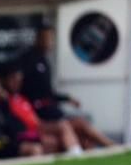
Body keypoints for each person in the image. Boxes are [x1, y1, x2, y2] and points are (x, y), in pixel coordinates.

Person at [17, 21, 115, 150]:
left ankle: (112, 148)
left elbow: (48, 92)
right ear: (38, 39)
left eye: (50, 38)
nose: (48, 42)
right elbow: (29, 92)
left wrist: (67, 98)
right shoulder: (28, 59)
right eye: (45, 38)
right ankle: (111, 149)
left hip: (52, 111)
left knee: (82, 127)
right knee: (76, 126)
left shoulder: (44, 61)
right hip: (40, 116)